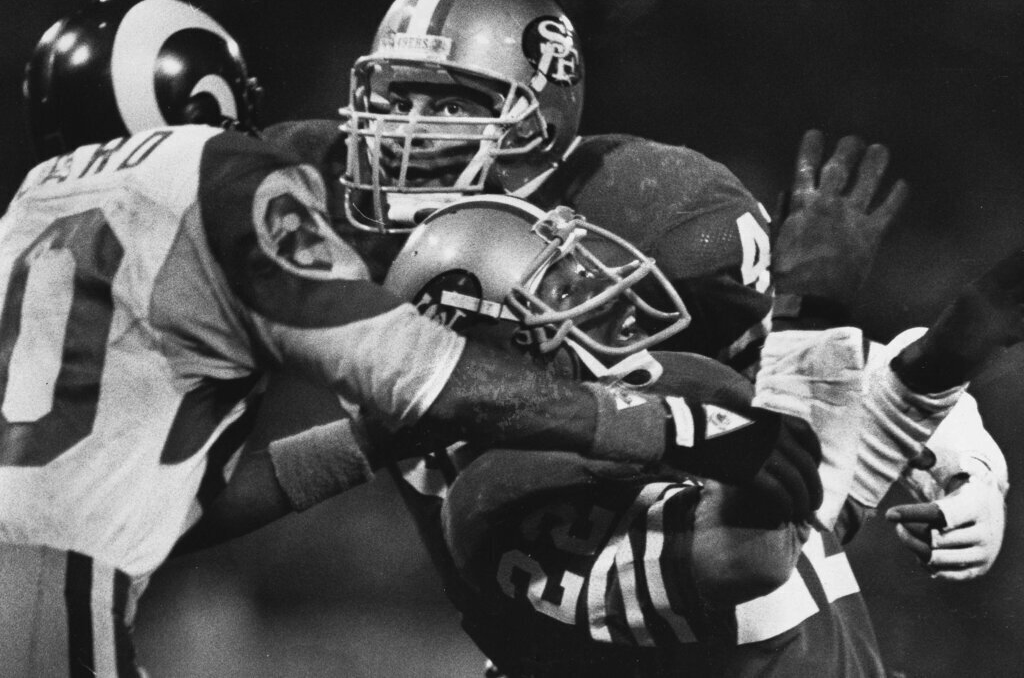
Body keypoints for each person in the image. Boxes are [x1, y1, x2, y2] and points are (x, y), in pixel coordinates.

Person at [0, 0, 821, 678]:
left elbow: (176, 508)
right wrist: (678, 423)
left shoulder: (28, 216)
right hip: (47, 599)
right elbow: (420, 372)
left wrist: (366, 442)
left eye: (447, 103)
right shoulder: (218, 177)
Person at [265, 0, 1006, 578]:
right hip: (526, 608)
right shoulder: (330, 202)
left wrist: (961, 454)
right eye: (398, 100)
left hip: (668, 596)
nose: (407, 134)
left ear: (534, 114)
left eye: (447, 104)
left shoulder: (649, 211)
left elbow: (793, 402)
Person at [377, 195, 1021, 678]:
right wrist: (807, 326)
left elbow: (815, 509)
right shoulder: (503, 508)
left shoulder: (640, 406)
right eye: (558, 292)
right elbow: (754, 552)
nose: (601, 299)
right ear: (495, 347)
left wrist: (947, 356)